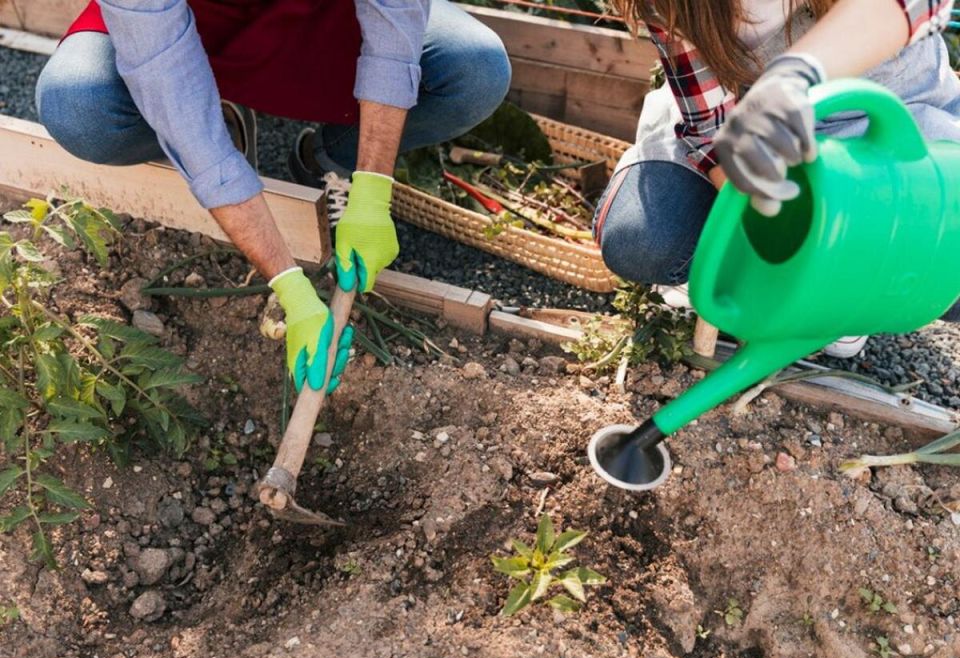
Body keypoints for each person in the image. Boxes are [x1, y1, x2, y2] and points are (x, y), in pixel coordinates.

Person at [35, 0, 511, 390]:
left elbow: (394, 14)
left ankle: (329, 156)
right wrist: (288, 283)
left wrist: (372, 187)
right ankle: (223, 131)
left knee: (473, 69)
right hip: (185, 26)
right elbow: (167, 81)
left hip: (319, 16)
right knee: (79, 105)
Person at [594, 0, 960, 358]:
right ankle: (781, 281)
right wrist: (759, 219)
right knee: (642, 241)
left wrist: (798, 72)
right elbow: (710, 126)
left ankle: (848, 291)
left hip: (887, 118)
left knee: (944, 272)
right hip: (752, 128)